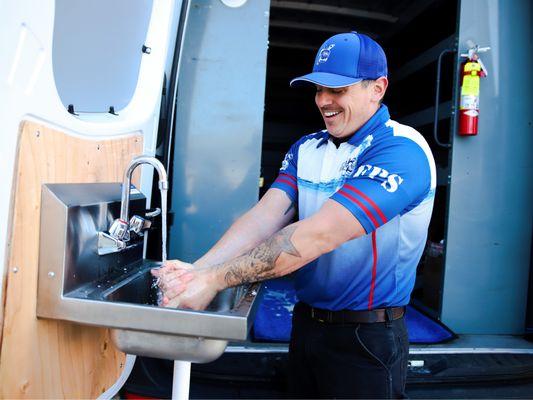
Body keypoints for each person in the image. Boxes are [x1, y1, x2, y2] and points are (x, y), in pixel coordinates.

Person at [152, 31, 435, 399]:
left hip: (367, 339)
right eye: (318, 89)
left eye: (338, 90)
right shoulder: (308, 147)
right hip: (306, 326)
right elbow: (263, 218)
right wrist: (197, 271)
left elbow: (316, 236)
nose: (323, 101)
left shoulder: (400, 149)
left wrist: (216, 280)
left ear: (377, 88)